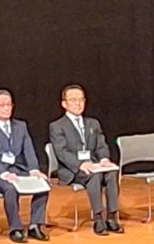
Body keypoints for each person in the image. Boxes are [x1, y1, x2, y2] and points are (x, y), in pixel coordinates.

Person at [0, 89, 51, 243]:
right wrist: (3, 174)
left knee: (43, 184)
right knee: (10, 188)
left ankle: (35, 225)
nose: (6, 108)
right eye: (2, 105)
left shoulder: (20, 126)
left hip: (18, 170)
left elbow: (28, 150)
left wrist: (34, 170)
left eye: (9, 104)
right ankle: (15, 228)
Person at [49, 84, 123, 235]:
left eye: (81, 99)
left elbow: (101, 144)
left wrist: (104, 159)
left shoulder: (93, 123)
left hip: (94, 165)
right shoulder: (57, 126)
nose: (78, 103)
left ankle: (111, 217)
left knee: (111, 173)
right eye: (73, 100)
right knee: (94, 175)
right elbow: (61, 152)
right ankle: (98, 219)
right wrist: (81, 164)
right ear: (64, 104)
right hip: (72, 169)